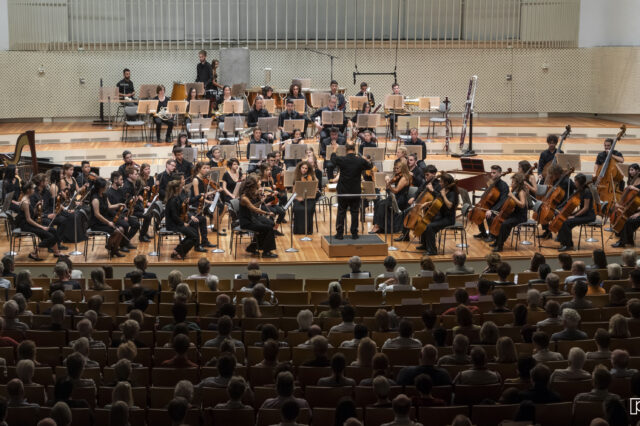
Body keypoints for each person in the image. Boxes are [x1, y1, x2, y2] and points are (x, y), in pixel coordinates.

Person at [331, 143, 373, 240]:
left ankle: (340, 234)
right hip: (355, 190)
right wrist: (364, 159)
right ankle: (354, 233)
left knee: (341, 211)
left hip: (343, 190)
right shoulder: (359, 160)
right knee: (354, 212)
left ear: (346, 149)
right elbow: (369, 166)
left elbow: (333, 160)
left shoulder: (342, 159)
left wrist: (334, 149)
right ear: (354, 149)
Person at [16, 181, 62, 261]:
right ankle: (34, 253)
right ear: (28, 190)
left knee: (53, 230)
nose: (34, 190)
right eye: (33, 189)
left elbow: (32, 214)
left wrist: (36, 206)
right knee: (49, 236)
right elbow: (29, 219)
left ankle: (56, 252)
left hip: (30, 223)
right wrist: (42, 227)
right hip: (26, 225)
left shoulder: (28, 199)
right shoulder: (25, 202)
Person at [416, 172, 459, 254]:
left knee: (430, 227)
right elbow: (438, 198)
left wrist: (444, 196)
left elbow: (450, 205)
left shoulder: (452, 193)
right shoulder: (444, 190)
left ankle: (432, 250)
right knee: (425, 222)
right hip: (441, 216)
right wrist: (428, 203)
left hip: (448, 219)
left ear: (446, 183)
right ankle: (425, 245)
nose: (440, 183)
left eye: (441, 181)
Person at [237, 175, 278, 258]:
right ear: (252, 186)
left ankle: (252, 247)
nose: (257, 188)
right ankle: (266, 252)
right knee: (268, 228)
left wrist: (261, 201)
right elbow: (255, 209)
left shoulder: (248, 195)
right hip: (246, 222)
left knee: (267, 226)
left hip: (251, 219)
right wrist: (267, 213)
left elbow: (254, 206)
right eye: (256, 186)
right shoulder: (244, 198)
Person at [370, 159, 410, 234]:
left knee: (382, 205)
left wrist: (389, 186)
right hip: (394, 197)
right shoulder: (397, 176)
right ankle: (378, 226)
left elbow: (396, 190)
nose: (395, 170)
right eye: (395, 168)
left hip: (400, 199)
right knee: (378, 203)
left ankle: (379, 227)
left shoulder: (404, 178)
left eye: (398, 168)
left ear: (403, 168)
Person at [557, 173, 595, 251]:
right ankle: (564, 242)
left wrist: (574, 216)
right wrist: (573, 213)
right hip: (583, 214)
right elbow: (581, 208)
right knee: (564, 219)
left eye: (575, 181)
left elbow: (586, 208)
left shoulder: (587, 192)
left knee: (566, 222)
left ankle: (569, 245)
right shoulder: (581, 190)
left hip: (589, 216)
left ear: (579, 182)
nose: (574, 183)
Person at [164, 179, 200, 260]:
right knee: (194, 237)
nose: (182, 189)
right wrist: (183, 223)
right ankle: (180, 252)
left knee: (194, 233)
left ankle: (177, 250)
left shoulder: (175, 198)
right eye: (180, 188)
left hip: (176, 223)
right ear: (177, 189)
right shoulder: (172, 200)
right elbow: (174, 216)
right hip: (172, 225)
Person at [473, 165, 510, 241]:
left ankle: (492, 235)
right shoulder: (490, 182)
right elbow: (487, 194)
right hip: (489, 204)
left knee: (488, 215)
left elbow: (503, 200)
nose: (492, 174)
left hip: (498, 207)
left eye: (494, 173)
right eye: (491, 173)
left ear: (500, 173)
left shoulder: (503, 185)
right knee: (477, 213)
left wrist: (492, 210)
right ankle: (483, 233)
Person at [291, 160, 320, 235]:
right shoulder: (296, 177)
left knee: (309, 209)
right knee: (298, 209)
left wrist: (313, 175)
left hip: (309, 198)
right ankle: (298, 230)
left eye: (306, 168)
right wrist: (298, 198)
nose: (304, 170)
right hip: (298, 198)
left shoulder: (312, 177)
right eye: (302, 168)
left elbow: (316, 184)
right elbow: (294, 192)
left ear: (308, 169)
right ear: (300, 168)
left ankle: (308, 230)